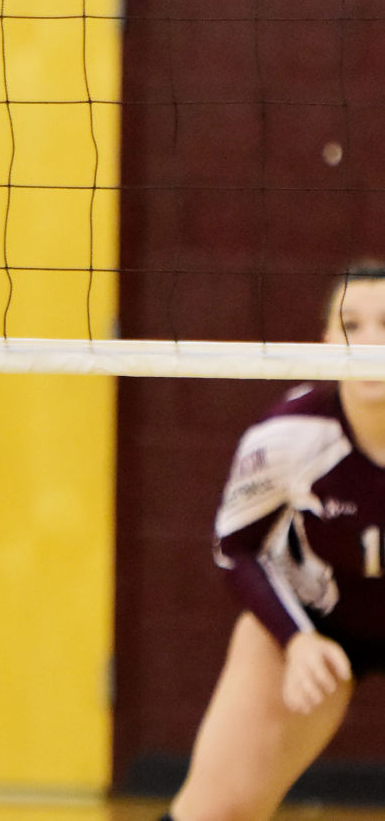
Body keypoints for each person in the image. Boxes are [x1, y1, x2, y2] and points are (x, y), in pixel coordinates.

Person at [162, 261, 385, 821]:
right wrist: (296, 639)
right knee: (218, 809)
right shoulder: (289, 437)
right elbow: (235, 547)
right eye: (352, 326)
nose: (370, 343)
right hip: (316, 618)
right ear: (326, 340)